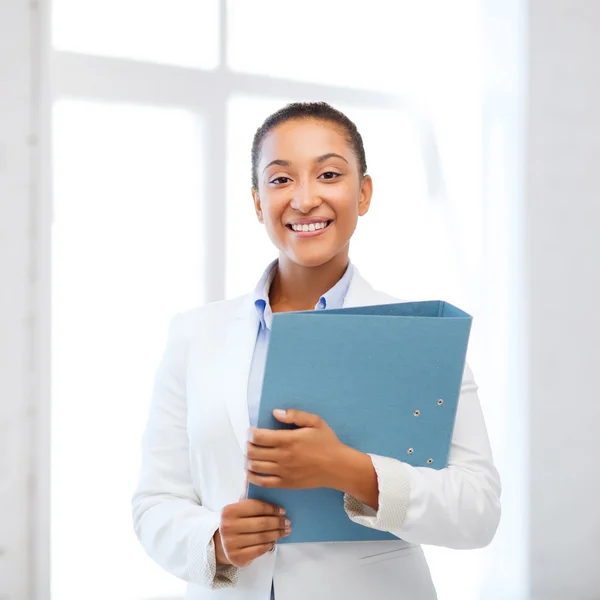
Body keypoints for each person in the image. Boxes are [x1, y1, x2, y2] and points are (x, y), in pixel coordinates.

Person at [131, 102, 501, 600]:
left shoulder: (420, 336)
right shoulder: (195, 335)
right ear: (259, 202)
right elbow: (156, 500)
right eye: (281, 180)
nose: (304, 199)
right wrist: (215, 541)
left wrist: (348, 470)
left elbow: (477, 510)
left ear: (363, 192)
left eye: (328, 174)